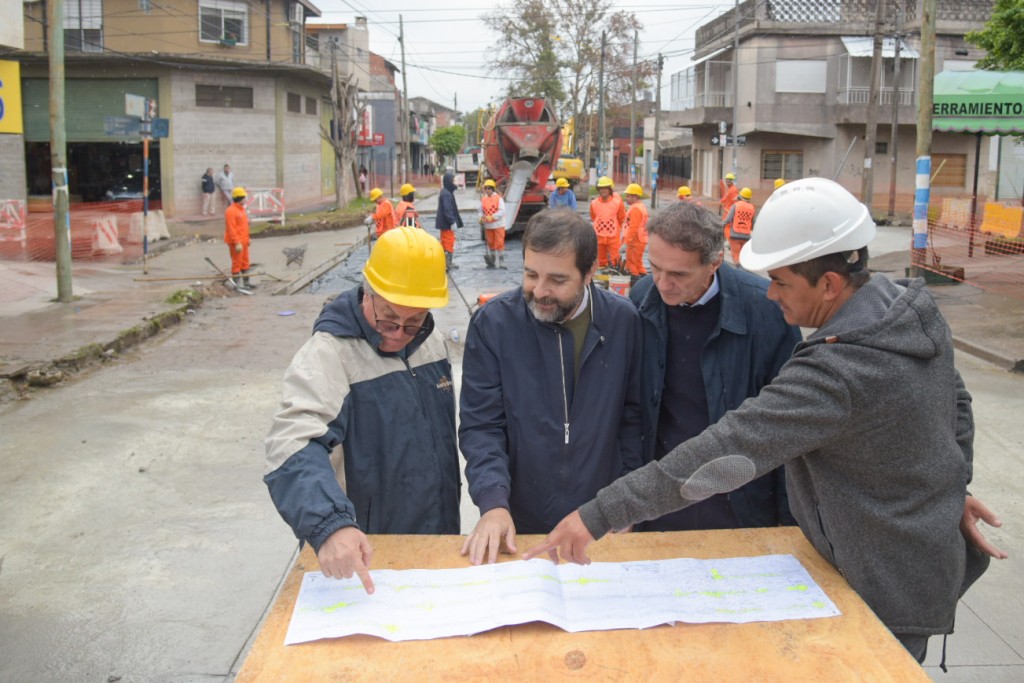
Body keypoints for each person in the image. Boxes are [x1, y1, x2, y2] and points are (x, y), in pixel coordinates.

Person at [526, 177, 1005, 663]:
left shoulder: (839, 370)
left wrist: (598, 514)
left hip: (881, 584)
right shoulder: (902, 312)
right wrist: (948, 484)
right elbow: (954, 400)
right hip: (905, 560)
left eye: (782, 281)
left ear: (829, 284)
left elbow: (732, 445)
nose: (772, 294)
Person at [264, 227, 460, 595]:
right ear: (367, 293)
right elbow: (291, 444)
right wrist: (330, 525)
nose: (399, 333)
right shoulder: (329, 354)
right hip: (364, 555)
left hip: (436, 541)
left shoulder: (431, 341)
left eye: (414, 321)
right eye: (388, 318)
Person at [459, 207, 644, 565]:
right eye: (531, 275)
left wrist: (626, 501)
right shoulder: (493, 325)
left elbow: (634, 421)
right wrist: (493, 503)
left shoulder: (623, 322)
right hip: (519, 523)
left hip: (602, 521)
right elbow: (482, 426)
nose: (539, 291)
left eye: (557, 280)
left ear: (589, 272)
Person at [629, 200, 801, 531]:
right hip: (661, 498)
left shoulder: (767, 310)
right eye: (655, 268)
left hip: (739, 503)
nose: (662, 284)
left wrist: (789, 522)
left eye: (678, 274)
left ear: (715, 262)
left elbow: (788, 426)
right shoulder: (642, 298)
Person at [590, 176, 625, 268]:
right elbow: (594, 217)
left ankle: (616, 274)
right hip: (599, 235)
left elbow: (621, 218)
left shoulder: (617, 202)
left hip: (613, 236)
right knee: (600, 259)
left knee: (615, 259)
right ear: (598, 189)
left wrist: (616, 229)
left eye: (605, 188)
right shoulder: (594, 203)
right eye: (601, 188)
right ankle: (602, 275)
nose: (603, 190)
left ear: (610, 189)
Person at [223, 186, 252, 290]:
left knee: (245, 262)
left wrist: (248, 238)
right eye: (245, 197)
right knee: (237, 262)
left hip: (243, 241)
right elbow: (231, 229)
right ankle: (237, 284)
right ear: (240, 198)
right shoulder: (230, 211)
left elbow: (244, 227)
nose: (246, 199)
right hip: (236, 242)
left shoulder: (241, 210)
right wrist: (237, 242)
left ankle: (246, 282)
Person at [619, 183, 649, 281]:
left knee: (631, 264)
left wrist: (626, 243)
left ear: (635, 196)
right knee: (638, 263)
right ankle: (645, 282)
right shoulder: (640, 206)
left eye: (628, 196)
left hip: (635, 241)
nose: (626, 198)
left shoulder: (636, 209)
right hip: (641, 239)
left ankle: (635, 284)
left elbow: (633, 228)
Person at [435, 171, 464, 271]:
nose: (455, 183)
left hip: (445, 224)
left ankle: (446, 262)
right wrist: (452, 222)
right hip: (447, 224)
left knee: (446, 242)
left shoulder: (446, 192)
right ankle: (447, 263)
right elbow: (448, 210)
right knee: (448, 242)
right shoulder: (446, 194)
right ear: (449, 182)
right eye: (453, 181)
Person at [722, 187, 755, 267]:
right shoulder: (752, 207)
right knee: (743, 255)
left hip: (735, 235)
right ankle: (744, 269)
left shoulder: (736, 205)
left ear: (740, 196)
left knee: (736, 255)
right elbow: (752, 222)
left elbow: (728, 219)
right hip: (746, 235)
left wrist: (721, 225)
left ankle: (739, 269)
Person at [478, 179, 507, 269]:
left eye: (489, 188)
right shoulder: (483, 199)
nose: (487, 190)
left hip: (498, 225)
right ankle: (492, 260)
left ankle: (501, 262)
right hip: (488, 226)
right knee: (491, 243)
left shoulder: (499, 198)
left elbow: (502, 211)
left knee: (499, 243)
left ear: (493, 189)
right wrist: (480, 217)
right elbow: (480, 211)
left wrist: (493, 217)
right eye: (486, 188)